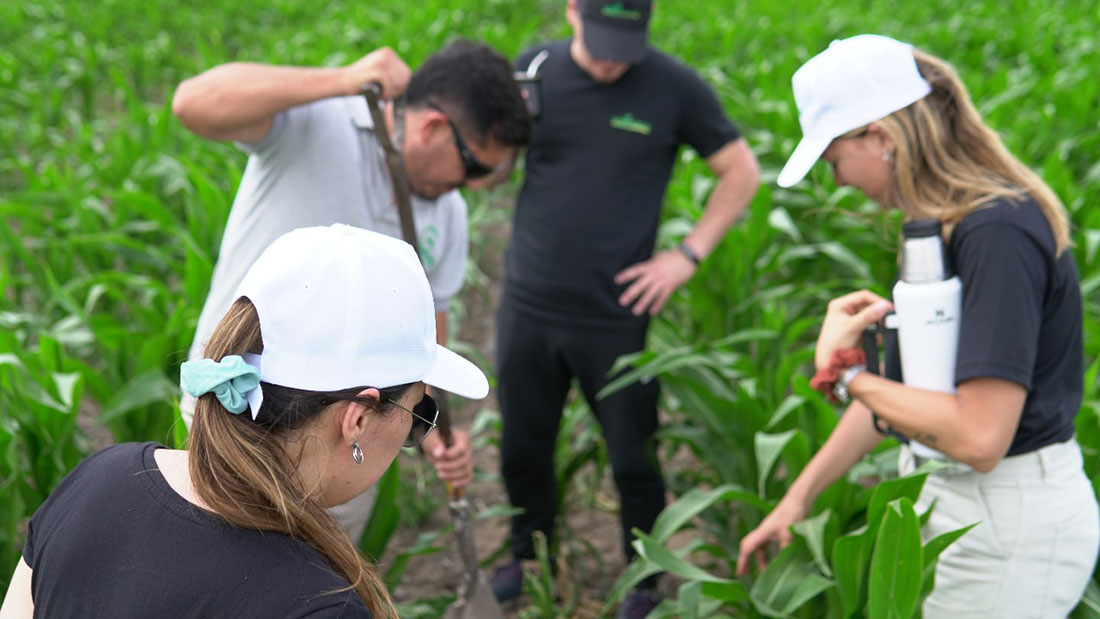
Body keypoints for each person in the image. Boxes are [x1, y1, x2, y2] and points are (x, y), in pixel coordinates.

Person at [737, 34, 1099, 617]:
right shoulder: (943, 232)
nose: (837, 182)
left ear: (879, 137)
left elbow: (980, 438)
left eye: (834, 160)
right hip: (958, 507)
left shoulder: (996, 235)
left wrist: (846, 376)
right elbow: (909, 399)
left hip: (1007, 528)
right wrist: (796, 500)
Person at [0, 224, 492, 618]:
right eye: (419, 413)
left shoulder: (95, 483)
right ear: (357, 420)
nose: (417, 432)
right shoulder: (318, 604)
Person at [172, 41, 530, 540]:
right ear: (433, 128)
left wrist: (430, 425)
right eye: (472, 167)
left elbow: (427, 342)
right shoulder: (320, 125)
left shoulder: (446, 214)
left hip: (349, 451)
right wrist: (341, 78)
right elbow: (194, 104)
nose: (469, 187)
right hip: (238, 418)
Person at [492, 1, 761, 615]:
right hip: (529, 301)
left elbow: (740, 171)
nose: (613, 61)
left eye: (626, 45)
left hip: (616, 314)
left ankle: (644, 576)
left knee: (634, 454)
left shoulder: (674, 86)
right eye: (601, 41)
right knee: (522, 446)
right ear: (571, 12)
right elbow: (497, 158)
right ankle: (529, 558)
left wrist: (685, 257)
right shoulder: (532, 68)